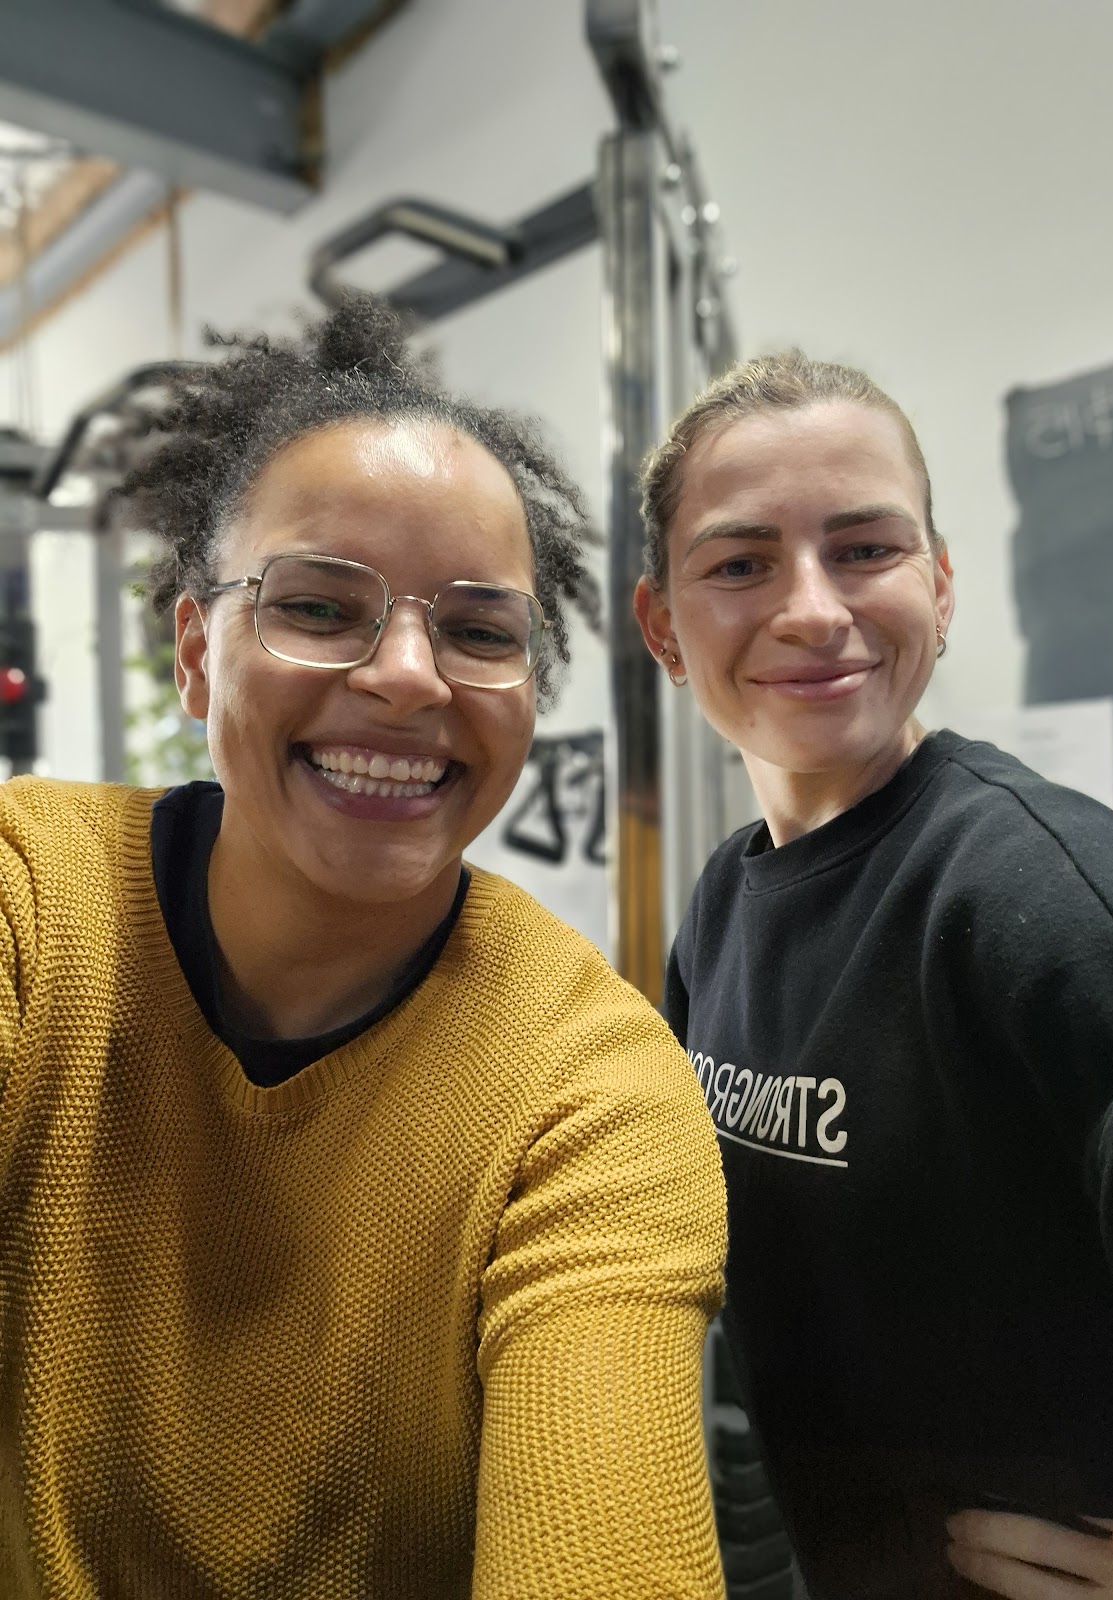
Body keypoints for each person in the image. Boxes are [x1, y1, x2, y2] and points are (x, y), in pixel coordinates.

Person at [0, 297, 727, 1598]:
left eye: (481, 631)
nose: (406, 676)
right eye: (320, 607)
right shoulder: (29, 905)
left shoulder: (591, 1090)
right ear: (195, 651)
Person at [633, 351, 1113, 1600]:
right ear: (663, 625)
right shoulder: (724, 907)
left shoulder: (1041, 898)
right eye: (740, 564)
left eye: (864, 549)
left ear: (939, 590)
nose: (812, 609)